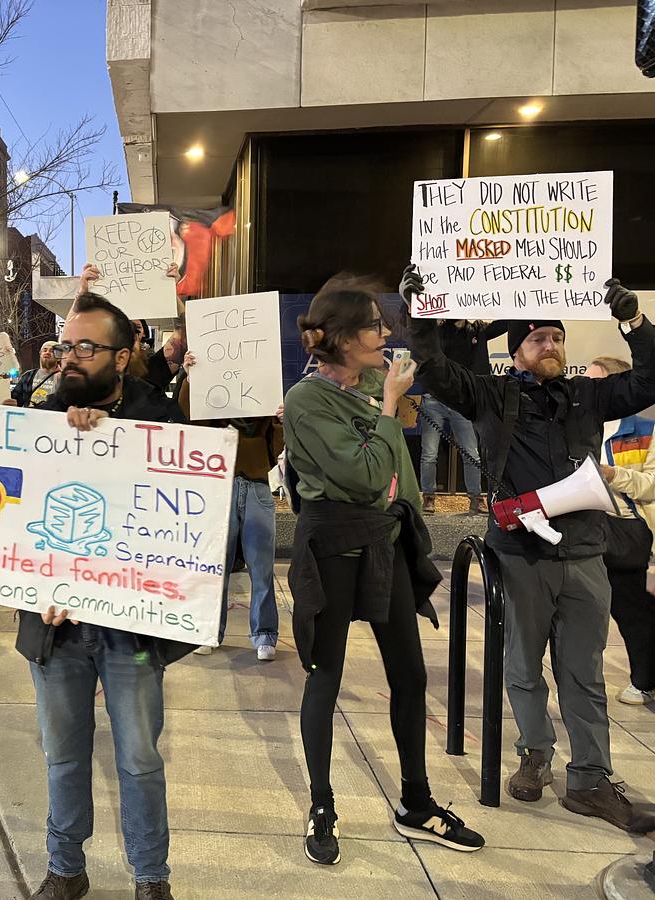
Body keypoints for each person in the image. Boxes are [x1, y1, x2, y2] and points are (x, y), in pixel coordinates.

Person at [402, 265, 655, 833]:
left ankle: (590, 779)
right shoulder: (491, 395)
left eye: (558, 337)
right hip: (518, 556)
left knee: (584, 672)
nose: (552, 345)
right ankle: (534, 754)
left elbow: (650, 379)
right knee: (522, 665)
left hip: (585, 553)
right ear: (517, 349)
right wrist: (418, 312)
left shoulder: (588, 396)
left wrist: (632, 320)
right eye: (539, 338)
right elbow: (437, 371)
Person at [284, 275, 485, 866]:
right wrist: (391, 406)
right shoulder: (308, 400)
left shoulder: (374, 381)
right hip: (334, 552)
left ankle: (416, 803)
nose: (384, 333)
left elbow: (398, 475)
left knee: (410, 675)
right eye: (373, 324)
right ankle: (322, 804)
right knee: (326, 679)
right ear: (341, 337)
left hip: (386, 544)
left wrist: (422, 306)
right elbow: (368, 474)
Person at [23, 291, 187, 900]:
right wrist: (26, 582)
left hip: (130, 629)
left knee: (139, 757)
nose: (71, 357)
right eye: (67, 345)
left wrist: (110, 435)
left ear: (122, 358)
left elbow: (177, 523)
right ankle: (65, 869)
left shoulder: (163, 419)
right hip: (54, 625)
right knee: (62, 755)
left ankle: (151, 878)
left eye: (87, 347)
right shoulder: (36, 412)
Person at [178, 352, 283, 659]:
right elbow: (189, 416)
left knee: (261, 566)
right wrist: (189, 377)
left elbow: (276, 449)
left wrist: (280, 422)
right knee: (214, 565)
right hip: (219, 483)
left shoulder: (265, 398)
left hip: (256, 484)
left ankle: (264, 634)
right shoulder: (213, 397)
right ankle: (209, 631)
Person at [586, 355, 655, 708]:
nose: (584, 387)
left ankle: (644, 679)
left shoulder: (644, 431)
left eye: (594, 381)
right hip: (585, 529)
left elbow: (651, 486)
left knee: (633, 610)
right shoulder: (577, 425)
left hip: (627, 533)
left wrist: (613, 475)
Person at [416, 321, 510, 514]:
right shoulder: (439, 329)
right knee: (429, 453)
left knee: (471, 453)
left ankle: (476, 498)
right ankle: (428, 497)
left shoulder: (478, 330)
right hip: (435, 399)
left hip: (463, 401)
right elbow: (418, 332)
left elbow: (507, 322)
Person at [76, 263, 183, 392]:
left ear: (142, 334)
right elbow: (74, 336)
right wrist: (83, 295)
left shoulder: (155, 366)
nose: (129, 333)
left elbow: (184, 333)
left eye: (135, 328)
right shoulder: (96, 367)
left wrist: (170, 292)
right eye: (124, 327)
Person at [13, 340, 60, 407]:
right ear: (40, 353)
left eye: (52, 351)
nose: (47, 352)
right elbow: (16, 399)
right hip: (30, 416)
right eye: (45, 350)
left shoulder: (63, 378)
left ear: (59, 357)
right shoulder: (28, 375)